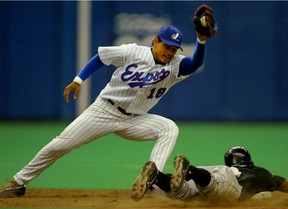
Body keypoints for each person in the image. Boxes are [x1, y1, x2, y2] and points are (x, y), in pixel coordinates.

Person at [0, 4, 217, 197]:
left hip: (136, 119)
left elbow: (195, 63)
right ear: (155, 41)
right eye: (166, 46)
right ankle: (19, 182)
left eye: (173, 49)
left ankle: (151, 177)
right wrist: (78, 80)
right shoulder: (132, 52)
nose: (169, 52)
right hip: (104, 110)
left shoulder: (175, 65)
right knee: (60, 145)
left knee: (169, 128)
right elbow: (100, 58)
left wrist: (201, 40)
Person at [131, 146, 288, 201]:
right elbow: (283, 184)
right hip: (228, 181)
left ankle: (157, 177)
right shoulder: (260, 172)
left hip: (209, 175)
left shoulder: (229, 168)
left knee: (181, 191)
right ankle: (189, 169)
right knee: (214, 186)